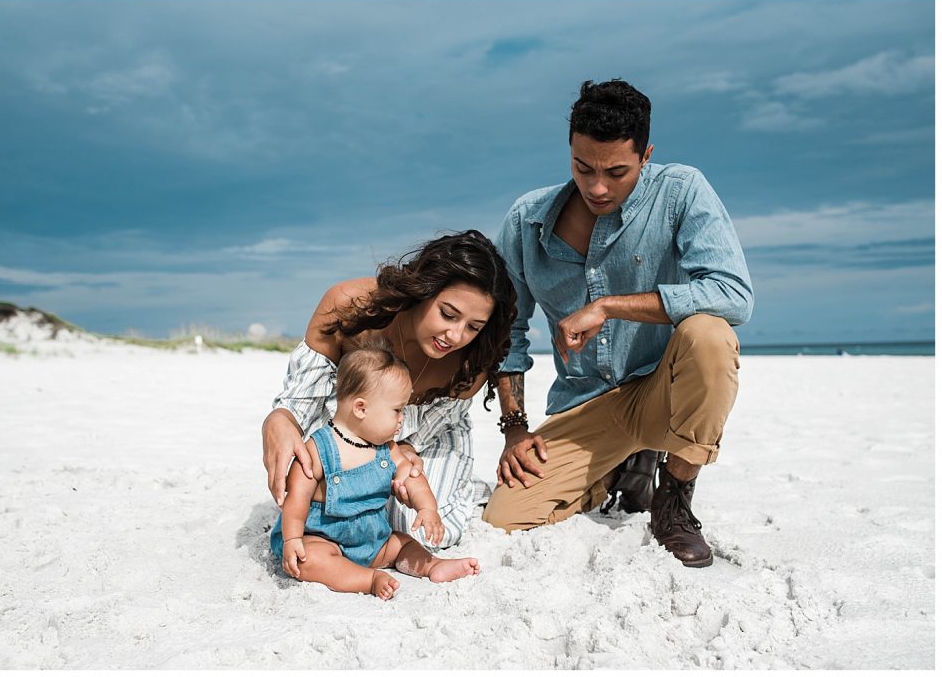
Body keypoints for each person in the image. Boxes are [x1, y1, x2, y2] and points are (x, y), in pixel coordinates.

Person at [483, 79, 754, 568]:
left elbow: (733, 294)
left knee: (710, 334)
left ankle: (672, 498)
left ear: (646, 155)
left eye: (616, 171)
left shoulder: (682, 191)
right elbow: (507, 332)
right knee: (504, 518)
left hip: (662, 392)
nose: (597, 187)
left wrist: (609, 305)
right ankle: (619, 469)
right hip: (586, 406)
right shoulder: (526, 221)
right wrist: (514, 431)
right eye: (583, 168)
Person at [263, 230, 517, 549]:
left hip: (431, 436)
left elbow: (432, 429)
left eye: (473, 327)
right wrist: (281, 420)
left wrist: (407, 448)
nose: (455, 336)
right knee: (326, 510)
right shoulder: (350, 306)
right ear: (424, 290)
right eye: (448, 314)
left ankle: (466, 488)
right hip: (356, 423)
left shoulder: (471, 361)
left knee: (420, 530)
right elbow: (303, 397)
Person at [270, 341, 480, 600]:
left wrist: (427, 508)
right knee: (310, 560)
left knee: (402, 544)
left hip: (374, 539)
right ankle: (368, 579)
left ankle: (432, 565)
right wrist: (292, 540)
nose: (402, 418)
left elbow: (412, 476)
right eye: (397, 410)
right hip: (323, 538)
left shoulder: (386, 449)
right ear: (361, 408)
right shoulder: (317, 449)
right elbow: (296, 501)